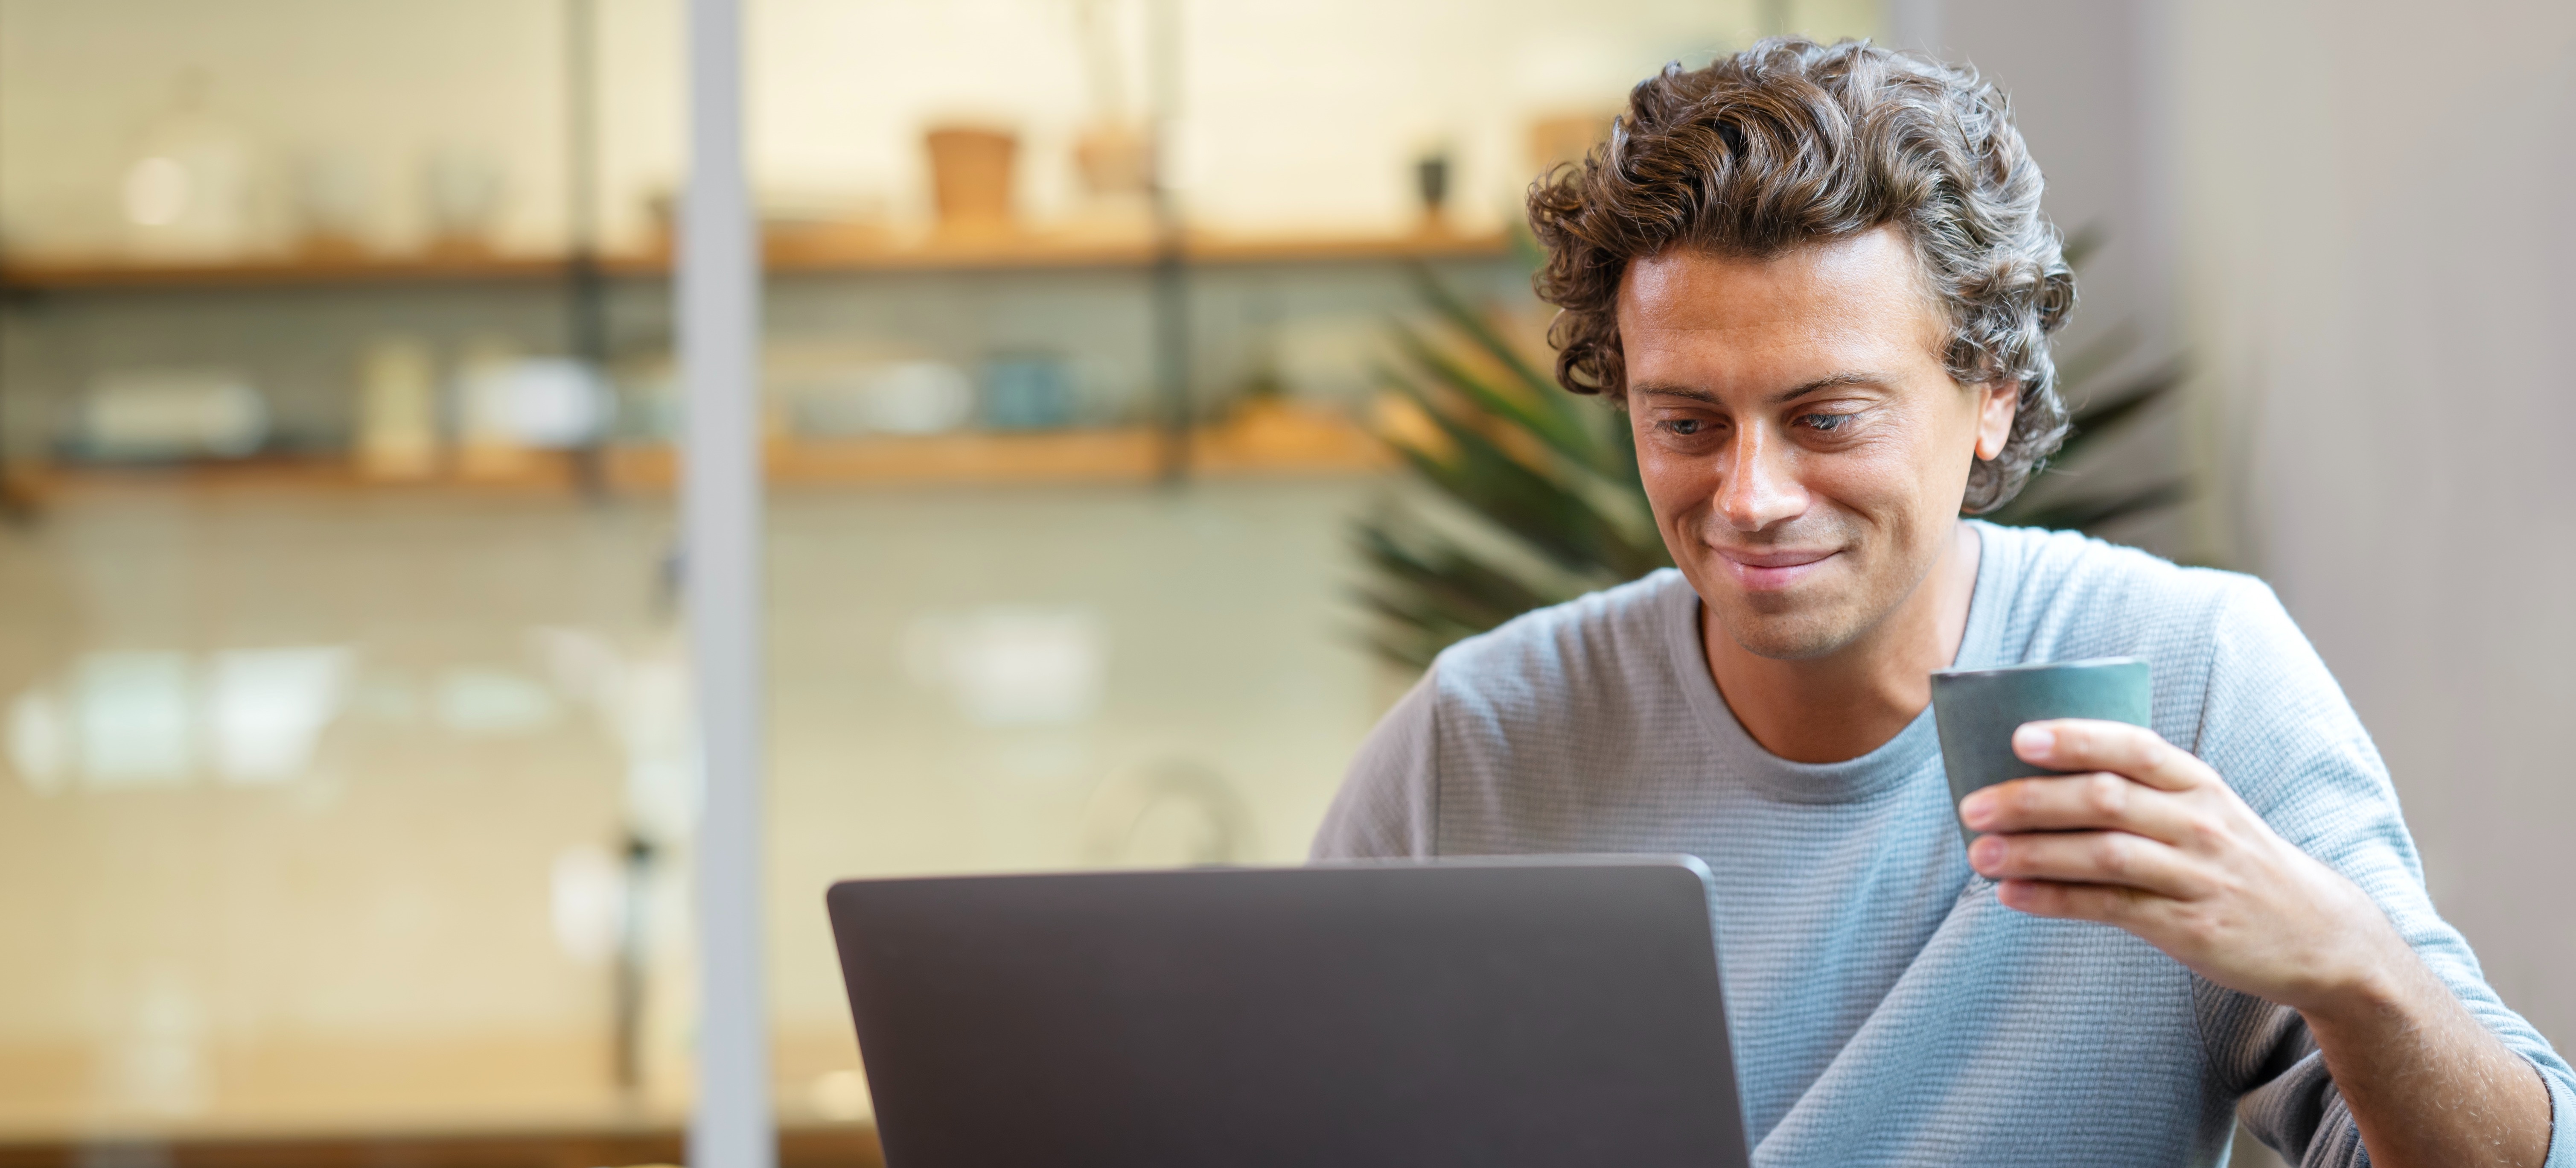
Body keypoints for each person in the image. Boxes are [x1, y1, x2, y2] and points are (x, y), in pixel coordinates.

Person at [1312, 37, 2570, 1168]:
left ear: (1991, 397)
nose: (1747, 496)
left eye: (1825, 418)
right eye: (1685, 423)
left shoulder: (2187, 675)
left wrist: (2356, 978)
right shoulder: (1475, 740)